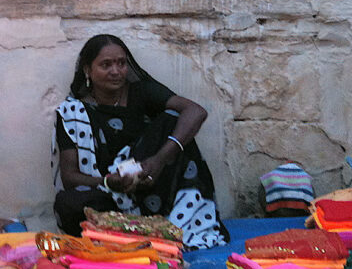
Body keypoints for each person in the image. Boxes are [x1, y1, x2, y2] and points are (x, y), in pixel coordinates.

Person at [52, 35, 228, 250]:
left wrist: (159, 160)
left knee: (171, 120)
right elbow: (70, 177)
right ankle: (137, 231)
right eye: (106, 65)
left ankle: (152, 229)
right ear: (88, 70)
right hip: (110, 192)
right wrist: (109, 182)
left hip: (152, 183)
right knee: (68, 204)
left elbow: (196, 111)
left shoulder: (142, 91)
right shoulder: (73, 113)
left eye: (121, 63)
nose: (116, 71)